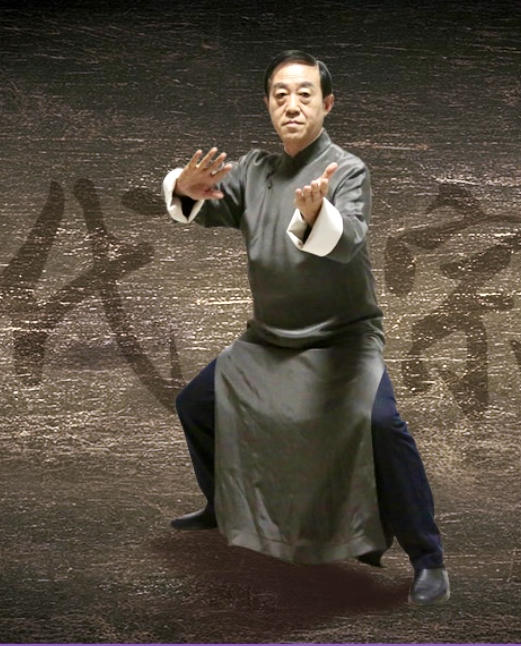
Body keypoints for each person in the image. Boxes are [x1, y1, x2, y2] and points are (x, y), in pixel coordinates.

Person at [160, 50, 449, 605]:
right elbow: (208, 204)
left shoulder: (347, 169)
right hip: (268, 341)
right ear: (269, 104)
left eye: (305, 94)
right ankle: (225, 502)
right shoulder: (252, 170)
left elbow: (351, 242)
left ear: (327, 103)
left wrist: (320, 215)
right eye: (280, 94)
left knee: (382, 425)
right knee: (195, 404)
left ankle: (427, 557)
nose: (292, 105)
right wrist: (184, 190)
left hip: (342, 340)